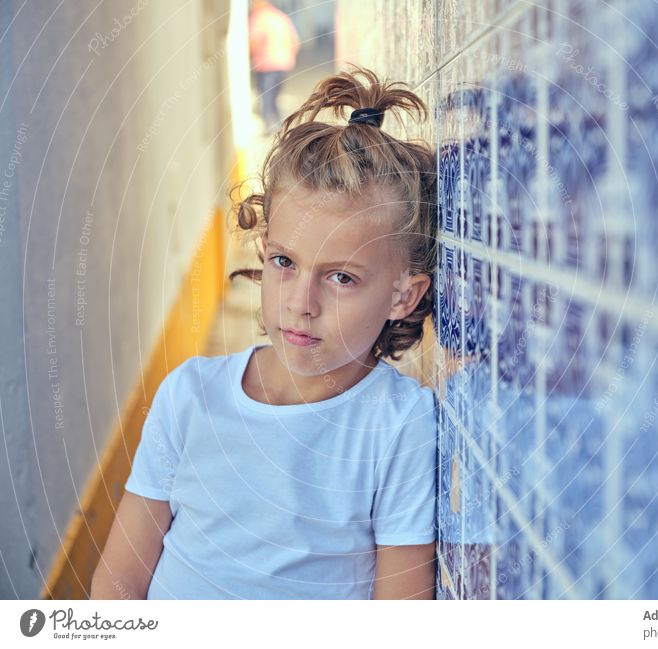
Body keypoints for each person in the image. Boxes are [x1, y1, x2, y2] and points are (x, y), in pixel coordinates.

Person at [90, 65, 440, 600]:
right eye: (284, 262)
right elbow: (117, 585)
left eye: (341, 277)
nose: (301, 304)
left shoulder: (399, 425)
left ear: (403, 296)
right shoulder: (189, 396)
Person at [248, 0, 300, 132]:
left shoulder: (259, 18)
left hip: (266, 64)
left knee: (266, 97)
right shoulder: (281, 17)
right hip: (283, 64)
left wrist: (252, 56)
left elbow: (254, 40)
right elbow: (295, 41)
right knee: (274, 96)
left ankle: (268, 126)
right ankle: (281, 125)